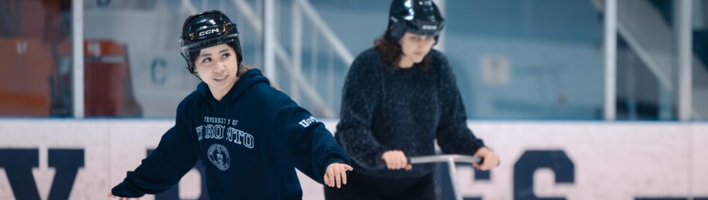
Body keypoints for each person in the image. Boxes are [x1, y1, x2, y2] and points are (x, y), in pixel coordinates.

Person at [108, 10, 352, 200]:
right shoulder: (194, 109)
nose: (219, 67)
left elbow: (308, 133)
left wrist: (330, 159)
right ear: (193, 66)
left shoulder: (267, 103)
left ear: (237, 54)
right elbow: (170, 157)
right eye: (207, 59)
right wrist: (132, 187)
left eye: (225, 55)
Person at [325, 0, 500, 199]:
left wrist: (477, 149)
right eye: (415, 37)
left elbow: (451, 126)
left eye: (429, 38)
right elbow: (352, 128)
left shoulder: (439, 67)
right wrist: (379, 154)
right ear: (395, 30)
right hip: (359, 181)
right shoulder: (368, 66)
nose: (422, 45)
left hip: (415, 182)